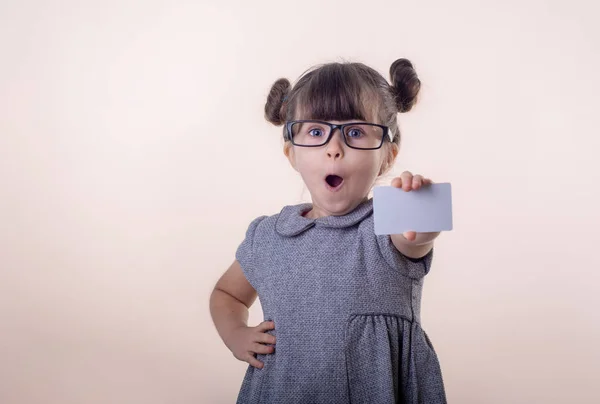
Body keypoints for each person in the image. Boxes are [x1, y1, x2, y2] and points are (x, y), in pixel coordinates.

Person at [209, 58, 447, 403]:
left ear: (388, 155)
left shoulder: (388, 224)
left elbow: (416, 237)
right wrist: (235, 335)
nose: (334, 149)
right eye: (316, 132)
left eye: (355, 132)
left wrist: (418, 207)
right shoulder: (267, 237)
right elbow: (227, 294)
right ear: (291, 153)